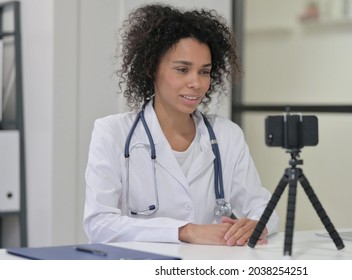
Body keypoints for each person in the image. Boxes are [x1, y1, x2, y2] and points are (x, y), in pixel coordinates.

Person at [83, 3, 278, 246]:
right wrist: (184, 231)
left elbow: (261, 205)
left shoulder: (226, 135)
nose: (196, 83)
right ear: (152, 68)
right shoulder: (112, 133)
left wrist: (258, 223)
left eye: (204, 72)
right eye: (183, 69)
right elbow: (99, 224)